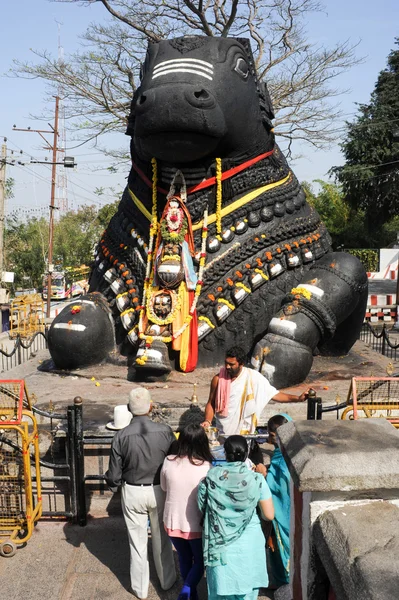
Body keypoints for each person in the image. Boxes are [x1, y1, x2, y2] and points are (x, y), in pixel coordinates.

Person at [105, 387, 176, 599]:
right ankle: (167, 580)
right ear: (151, 407)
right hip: (159, 489)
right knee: (162, 538)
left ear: (129, 409)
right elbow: (174, 463)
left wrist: (115, 486)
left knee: (137, 542)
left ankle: (140, 589)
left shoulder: (120, 436)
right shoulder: (165, 431)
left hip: (133, 490)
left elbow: (114, 474)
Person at [198, 435, 275, 600]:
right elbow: (269, 515)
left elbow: (203, 508)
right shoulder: (256, 480)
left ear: (225, 454)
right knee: (247, 590)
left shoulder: (210, 478)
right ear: (246, 454)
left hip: (221, 546)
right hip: (249, 542)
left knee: (221, 589)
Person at [201, 346, 307, 436]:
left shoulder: (253, 377)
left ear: (241, 364)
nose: (227, 367)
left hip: (244, 433)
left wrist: (298, 398)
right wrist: (207, 420)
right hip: (222, 432)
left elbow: (275, 395)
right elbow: (211, 403)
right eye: (226, 363)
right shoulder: (218, 379)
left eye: (232, 364)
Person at [161, 424, 213, 600]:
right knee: (199, 560)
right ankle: (187, 590)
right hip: (195, 522)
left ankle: (192, 594)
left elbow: (163, 487)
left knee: (184, 557)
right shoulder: (206, 467)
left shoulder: (168, 461)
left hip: (172, 520)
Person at [256, 413, 292, 587]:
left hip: (281, 511)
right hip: (291, 511)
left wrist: (263, 474)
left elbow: (277, 485)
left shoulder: (282, 457)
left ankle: (282, 582)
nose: (273, 440)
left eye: (273, 436)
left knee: (278, 546)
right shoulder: (290, 451)